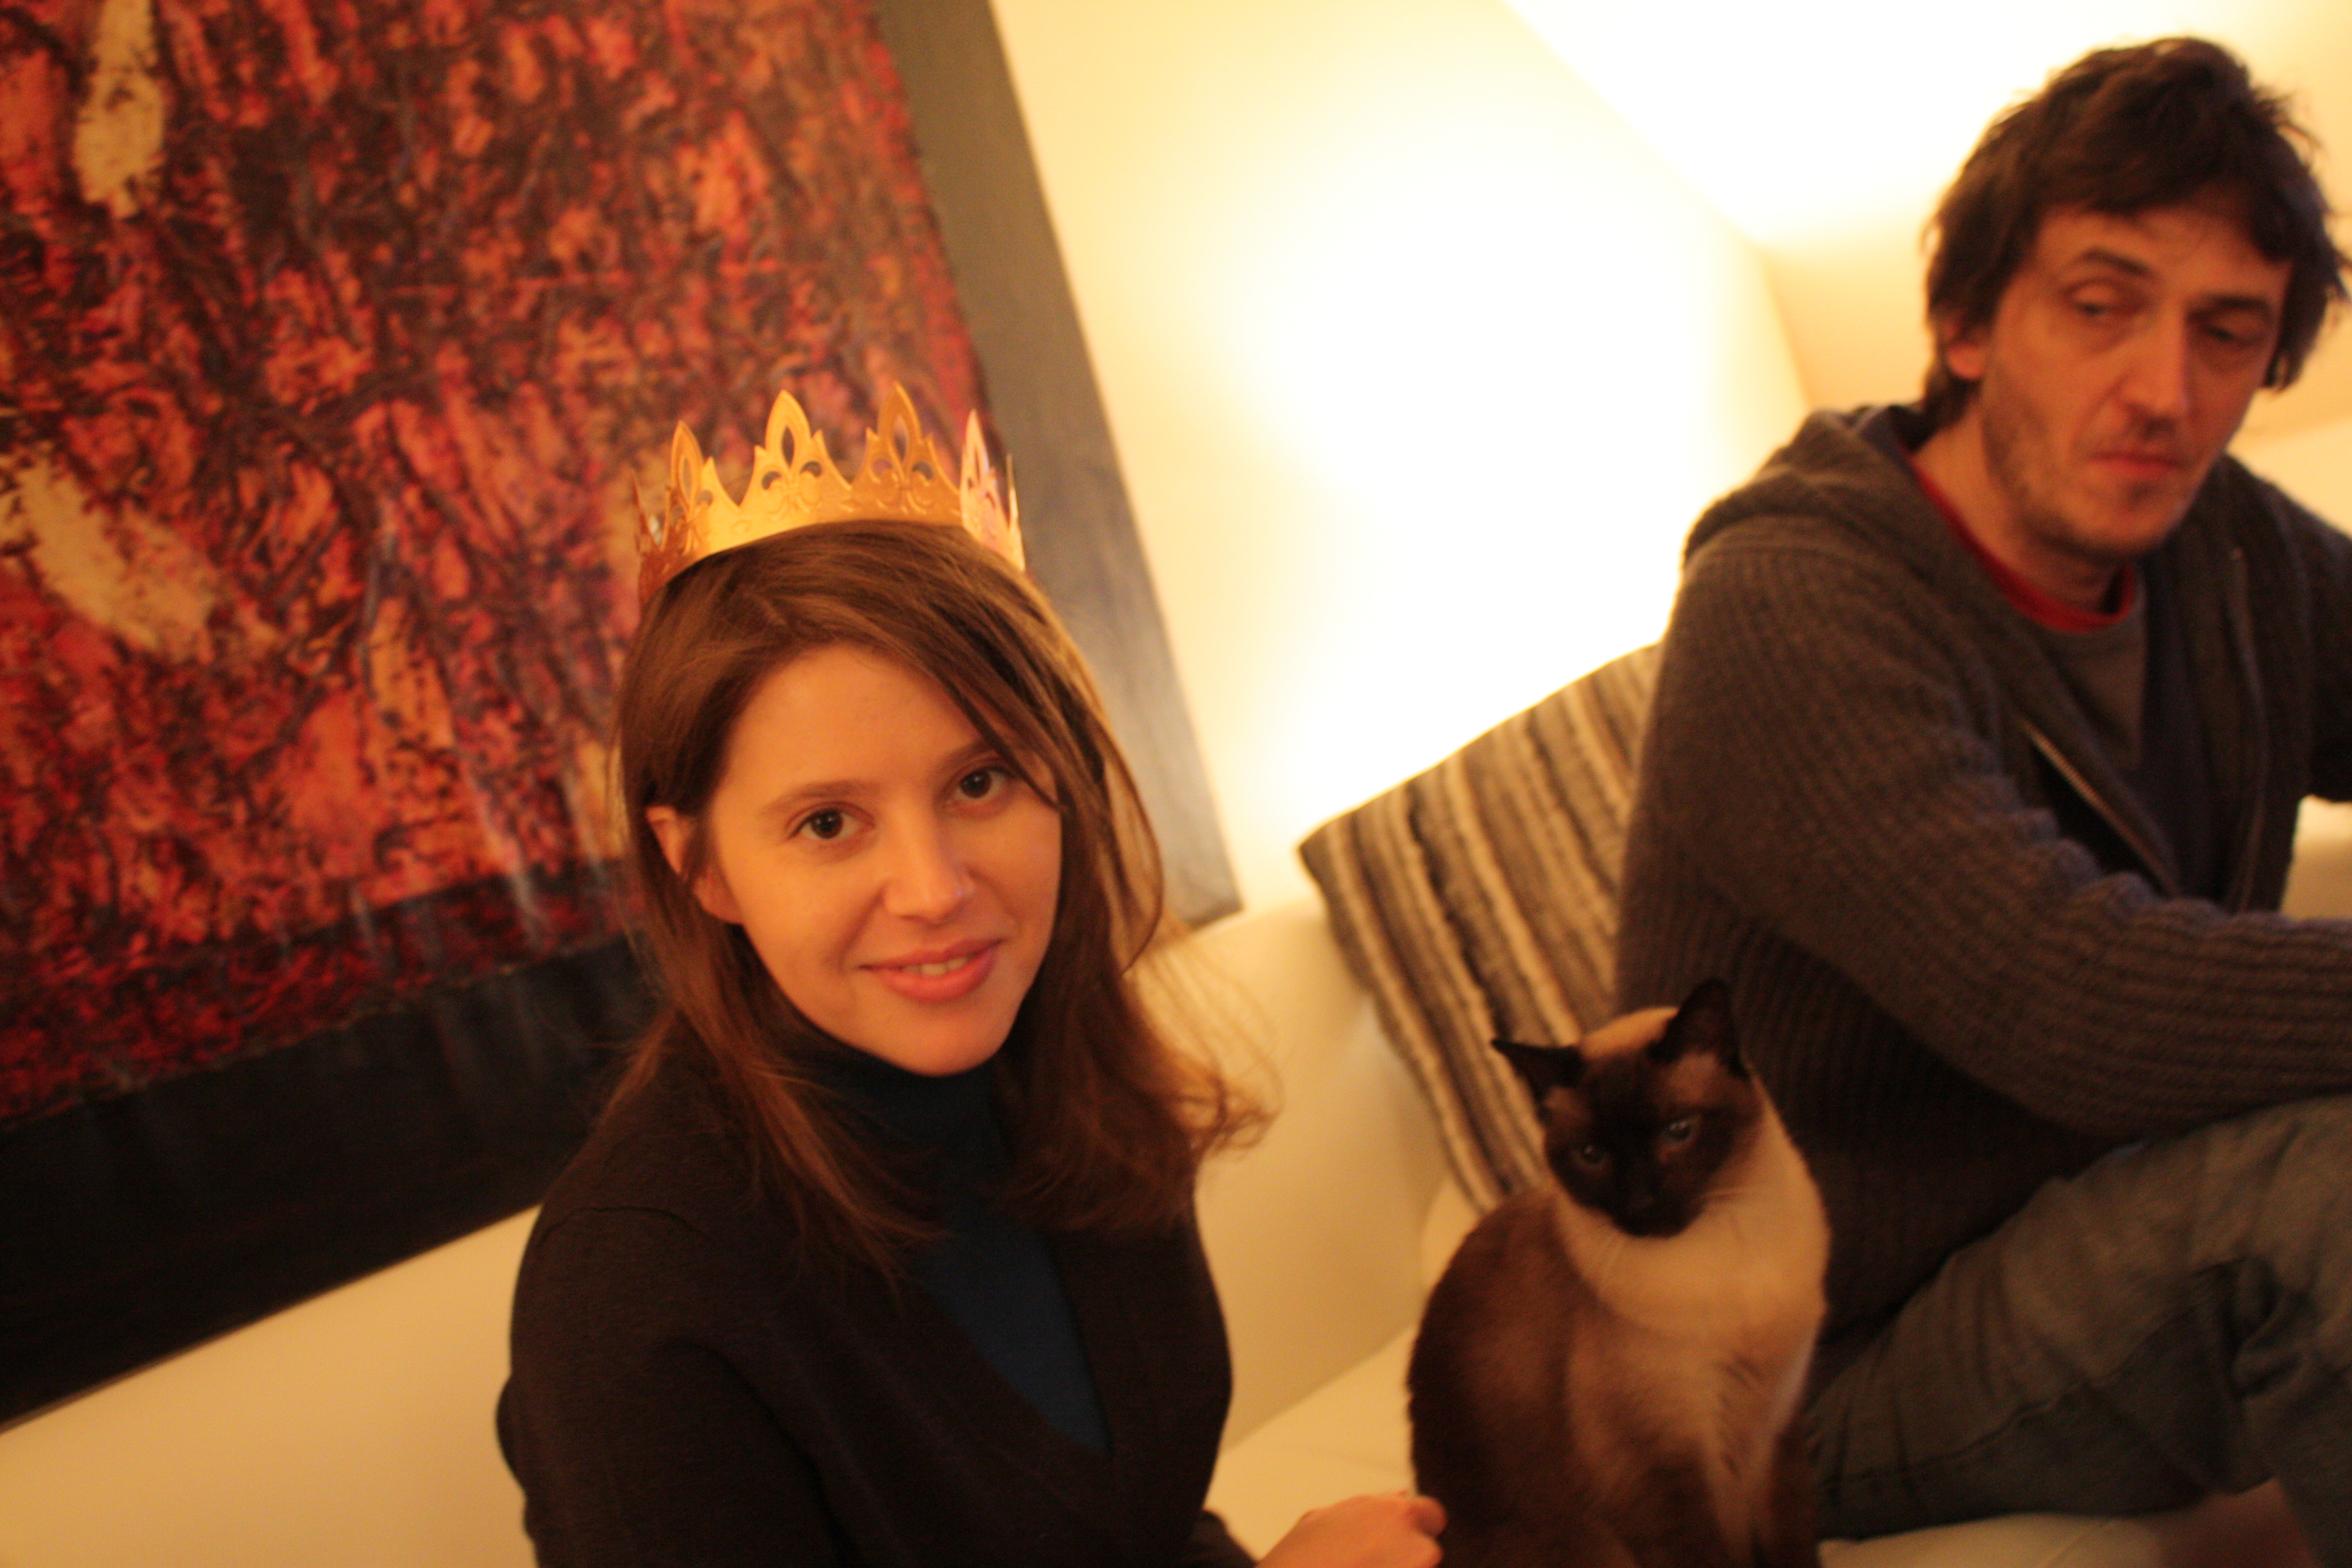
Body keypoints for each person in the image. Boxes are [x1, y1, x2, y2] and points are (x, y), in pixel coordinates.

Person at [1615, 36, 2352, 1551]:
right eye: (2101, 305)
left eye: (2227, 332)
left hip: (2095, 1209)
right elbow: (2073, 996)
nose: (2165, 390)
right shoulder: (1788, 604)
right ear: (1965, 323)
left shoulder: (2229, 550)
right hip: (1816, 1356)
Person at [499, 393, 1445, 1567]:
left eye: (981, 781)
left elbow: (1137, 1531)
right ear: (704, 865)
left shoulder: (1070, 1084)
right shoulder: (633, 1295)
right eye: (829, 821)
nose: (934, 888)